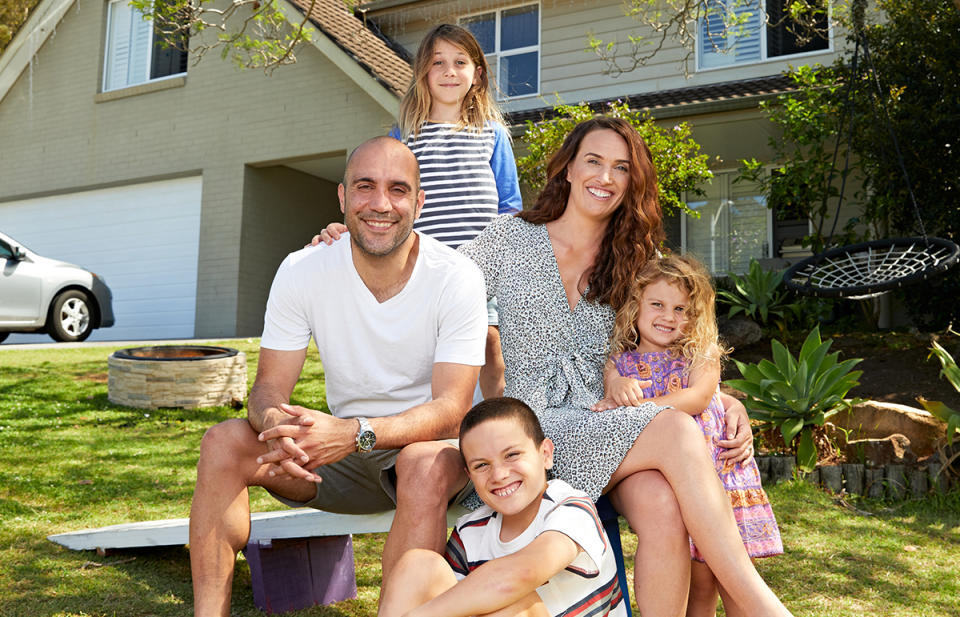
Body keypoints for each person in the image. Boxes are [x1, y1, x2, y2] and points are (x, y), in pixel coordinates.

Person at [458, 116, 793, 616]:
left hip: (611, 421)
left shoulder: (638, 257)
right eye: (593, 161)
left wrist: (723, 399)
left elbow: (677, 338)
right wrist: (345, 239)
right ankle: (759, 604)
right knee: (678, 432)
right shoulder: (509, 239)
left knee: (662, 505)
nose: (606, 177)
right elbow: (433, 281)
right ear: (568, 168)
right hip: (532, 430)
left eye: (621, 167)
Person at [188, 136, 488, 617]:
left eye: (397, 189)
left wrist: (354, 433)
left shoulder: (456, 277)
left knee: (422, 465)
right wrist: (274, 425)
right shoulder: (302, 269)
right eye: (365, 187)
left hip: (432, 458)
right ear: (343, 197)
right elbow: (267, 387)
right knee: (223, 442)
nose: (380, 204)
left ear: (419, 201)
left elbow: (454, 411)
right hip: (338, 459)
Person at [313, 24, 521, 399]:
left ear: (477, 75)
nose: (449, 71)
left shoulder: (493, 134)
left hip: (482, 272)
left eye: (460, 62)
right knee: (426, 354)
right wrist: (346, 229)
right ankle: (429, 426)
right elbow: (383, 202)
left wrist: (503, 261)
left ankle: (499, 420)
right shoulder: (404, 136)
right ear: (423, 72)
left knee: (491, 348)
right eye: (437, 62)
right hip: (425, 269)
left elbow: (510, 207)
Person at [598, 254, 783, 617]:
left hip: (719, 479)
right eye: (657, 304)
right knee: (699, 587)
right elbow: (610, 390)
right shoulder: (618, 362)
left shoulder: (701, 354)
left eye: (681, 309)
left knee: (732, 582)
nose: (669, 316)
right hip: (673, 486)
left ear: (695, 316)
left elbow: (698, 397)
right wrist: (617, 386)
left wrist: (640, 410)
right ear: (636, 305)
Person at [378, 397, 628, 617]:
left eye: (512, 455)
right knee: (418, 565)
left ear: (545, 454)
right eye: (481, 465)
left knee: (515, 608)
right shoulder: (470, 531)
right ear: (469, 475)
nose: (499, 474)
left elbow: (519, 576)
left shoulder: (571, 508)